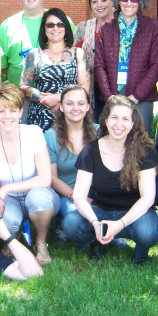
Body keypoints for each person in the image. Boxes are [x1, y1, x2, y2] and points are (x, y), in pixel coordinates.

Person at [62, 95, 158, 264]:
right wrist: (95, 223)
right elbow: (79, 195)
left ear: (132, 123)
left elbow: (148, 197)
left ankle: (141, 249)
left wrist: (120, 224)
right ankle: (98, 240)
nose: (119, 124)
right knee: (71, 224)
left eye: (125, 119)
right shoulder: (91, 150)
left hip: (135, 213)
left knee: (147, 233)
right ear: (106, 120)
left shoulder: (144, 150)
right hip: (101, 211)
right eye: (114, 117)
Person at [0, 83, 59, 265]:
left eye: (12, 110)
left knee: (39, 199)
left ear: (20, 112)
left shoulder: (34, 133)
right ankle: (14, 235)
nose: (7, 117)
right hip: (10, 201)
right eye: (1, 111)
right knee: (7, 220)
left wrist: (8, 188)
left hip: (40, 194)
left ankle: (41, 242)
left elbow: (45, 179)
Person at [94, 0, 158, 135]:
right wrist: (109, 96)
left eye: (134, 0)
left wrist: (136, 96)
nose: (128, 3)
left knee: (140, 140)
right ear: (118, 1)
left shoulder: (153, 27)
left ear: (140, 2)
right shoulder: (106, 28)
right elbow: (99, 65)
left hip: (142, 97)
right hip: (113, 94)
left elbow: (157, 65)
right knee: (113, 137)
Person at [20, 8, 88, 132]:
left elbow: (84, 89)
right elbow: (23, 86)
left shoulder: (78, 54)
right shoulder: (34, 54)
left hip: (69, 115)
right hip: (39, 118)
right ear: (44, 29)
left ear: (66, 28)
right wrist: (42, 98)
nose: (55, 28)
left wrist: (58, 98)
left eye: (60, 24)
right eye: (50, 25)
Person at [44, 85, 99, 239]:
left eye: (81, 103)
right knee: (76, 213)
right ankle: (63, 223)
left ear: (87, 107)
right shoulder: (50, 136)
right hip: (66, 194)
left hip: (95, 192)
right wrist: (77, 196)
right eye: (69, 103)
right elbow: (51, 178)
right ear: (61, 107)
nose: (76, 108)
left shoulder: (99, 133)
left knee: (101, 211)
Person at [0, 0, 74, 86]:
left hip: (56, 92)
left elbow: (75, 54)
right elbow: (2, 65)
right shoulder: (7, 26)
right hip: (19, 92)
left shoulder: (61, 21)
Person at [74, 0, 115, 120]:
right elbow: (73, 60)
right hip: (91, 89)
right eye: (95, 2)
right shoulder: (83, 28)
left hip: (117, 88)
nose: (99, 5)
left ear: (112, 1)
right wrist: (89, 64)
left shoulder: (122, 26)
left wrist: (95, 64)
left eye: (104, 0)